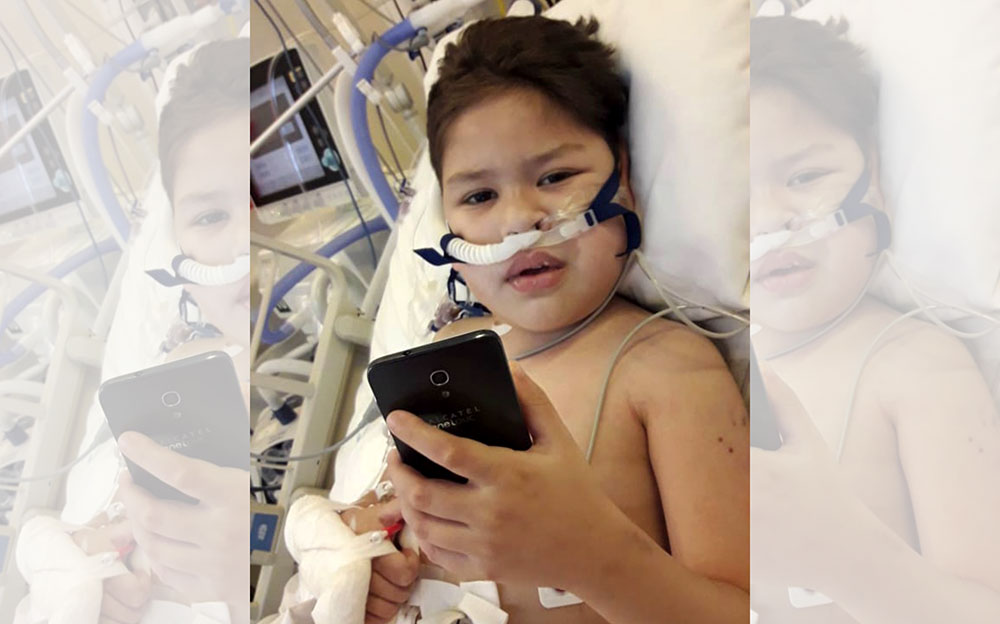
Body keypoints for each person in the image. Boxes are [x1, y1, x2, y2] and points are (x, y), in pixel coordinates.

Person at [343, 16, 750, 624]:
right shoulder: (445, 353)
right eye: (479, 196)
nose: (518, 221)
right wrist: (366, 556)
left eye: (555, 178)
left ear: (624, 180)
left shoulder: (666, 369)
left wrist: (589, 558)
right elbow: (384, 507)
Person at [749, 16, 1000, 622]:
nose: (769, 220)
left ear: (877, 179)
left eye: (805, 177)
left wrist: (845, 558)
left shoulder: (914, 366)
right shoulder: (713, 365)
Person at [64, 38, 251, 624]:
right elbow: (119, 518)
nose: (242, 244)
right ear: (175, 243)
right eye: (211, 216)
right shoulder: (176, 370)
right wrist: (96, 550)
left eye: (258, 201)